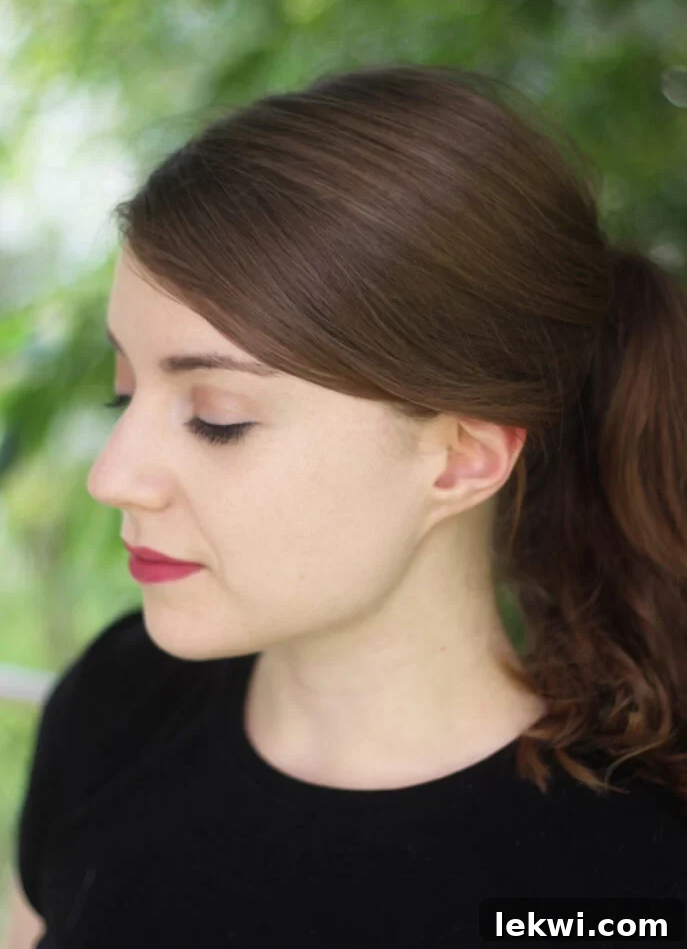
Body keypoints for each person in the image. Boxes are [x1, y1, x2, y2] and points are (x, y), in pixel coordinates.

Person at [9, 62, 687, 948]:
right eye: (121, 393)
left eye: (217, 420)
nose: (113, 475)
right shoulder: (119, 702)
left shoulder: (630, 880)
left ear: (458, 461)